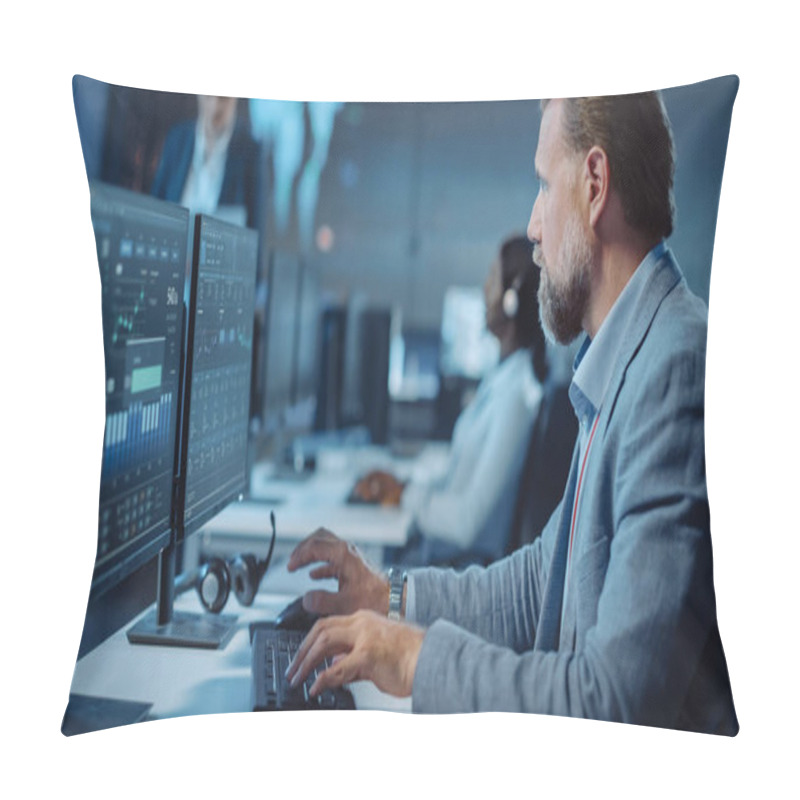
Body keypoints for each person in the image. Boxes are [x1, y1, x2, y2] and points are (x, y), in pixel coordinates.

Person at [283, 92, 738, 734]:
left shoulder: (673, 368)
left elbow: (614, 702)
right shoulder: (624, 363)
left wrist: (415, 658)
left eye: (544, 185)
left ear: (594, 186)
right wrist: (387, 594)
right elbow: (535, 586)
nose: (531, 225)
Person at [355, 235, 550, 567]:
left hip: (456, 568)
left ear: (510, 301)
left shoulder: (516, 398)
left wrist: (405, 495)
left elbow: (467, 522)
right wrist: (405, 486)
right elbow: (453, 485)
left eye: (492, 278)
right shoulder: (502, 381)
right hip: (441, 558)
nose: (483, 290)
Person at [151, 95, 260, 228]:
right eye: (208, 97)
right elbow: (155, 208)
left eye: (223, 99)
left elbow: (256, 230)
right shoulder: (177, 140)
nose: (214, 107)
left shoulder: (252, 152)